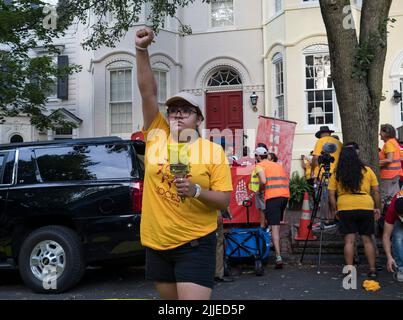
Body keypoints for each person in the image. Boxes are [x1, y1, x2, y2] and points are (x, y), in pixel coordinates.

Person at [136, 27, 233, 300]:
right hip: (157, 243)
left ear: (199, 119)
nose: (178, 115)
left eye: (186, 111)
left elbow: (224, 201)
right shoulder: (157, 135)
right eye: (174, 110)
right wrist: (142, 50)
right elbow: (148, 93)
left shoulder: (212, 152)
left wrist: (195, 191)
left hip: (195, 243)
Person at [328, 146, 381, 278]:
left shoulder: (337, 173)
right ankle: (373, 269)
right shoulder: (367, 170)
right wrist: (377, 207)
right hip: (365, 205)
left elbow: (331, 195)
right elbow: (376, 191)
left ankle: (350, 271)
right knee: (367, 239)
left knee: (349, 241)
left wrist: (335, 210)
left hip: (345, 206)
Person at [255, 148, 289, 269]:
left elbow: (263, 181)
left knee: (274, 227)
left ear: (258, 157)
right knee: (276, 226)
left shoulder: (259, 165)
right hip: (284, 196)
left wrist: (260, 190)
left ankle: (278, 257)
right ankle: (276, 249)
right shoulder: (277, 165)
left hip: (273, 197)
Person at [311, 126, 342, 228]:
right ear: (329, 133)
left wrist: (313, 172)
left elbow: (315, 158)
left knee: (325, 198)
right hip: (337, 174)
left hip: (324, 175)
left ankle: (327, 220)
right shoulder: (338, 143)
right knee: (335, 197)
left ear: (320, 134)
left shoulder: (320, 141)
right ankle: (335, 218)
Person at [382, 190, 403, 282]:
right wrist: (389, 257)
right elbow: (386, 235)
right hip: (396, 217)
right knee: (398, 237)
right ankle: (401, 268)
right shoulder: (392, 210)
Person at [379, 124, 402, 205]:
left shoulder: (389, 143)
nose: (379, 134)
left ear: (386, 133)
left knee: (383, 198)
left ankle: (381, 216)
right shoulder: (394, 142)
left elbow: (389, 159)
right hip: (395, 175)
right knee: (394, 198)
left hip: (388, 176)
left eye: (381, 132)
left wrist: (376, 163)